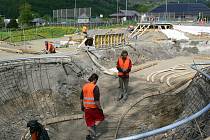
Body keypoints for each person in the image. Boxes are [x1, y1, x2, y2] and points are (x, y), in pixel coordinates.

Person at [80, 73, 104, 139]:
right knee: (101, 118)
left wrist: (82, 106)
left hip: (86, 109)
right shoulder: (95, 87)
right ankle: (91, 128)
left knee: (90, 122)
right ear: (95, 79)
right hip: (94, 108)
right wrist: (100, 109)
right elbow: (96, 101)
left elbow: (81, 98)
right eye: (97, 80)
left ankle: (92, 135)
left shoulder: (84, 86)